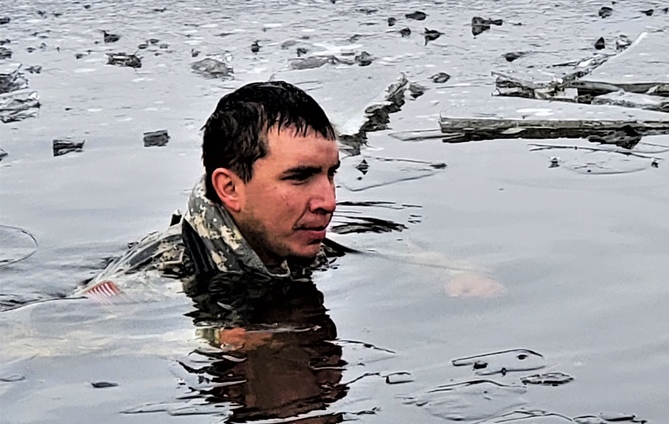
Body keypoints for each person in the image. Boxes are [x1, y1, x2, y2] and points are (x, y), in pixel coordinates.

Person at [79, 80, 502, 298]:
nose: (328, 203)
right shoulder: (156, 276)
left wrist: (450, 270)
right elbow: (47, 339)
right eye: (299, 178)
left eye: (330, 174)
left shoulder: (294, 240)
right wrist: (209, 338)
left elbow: (382, 246)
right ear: (229, 188)